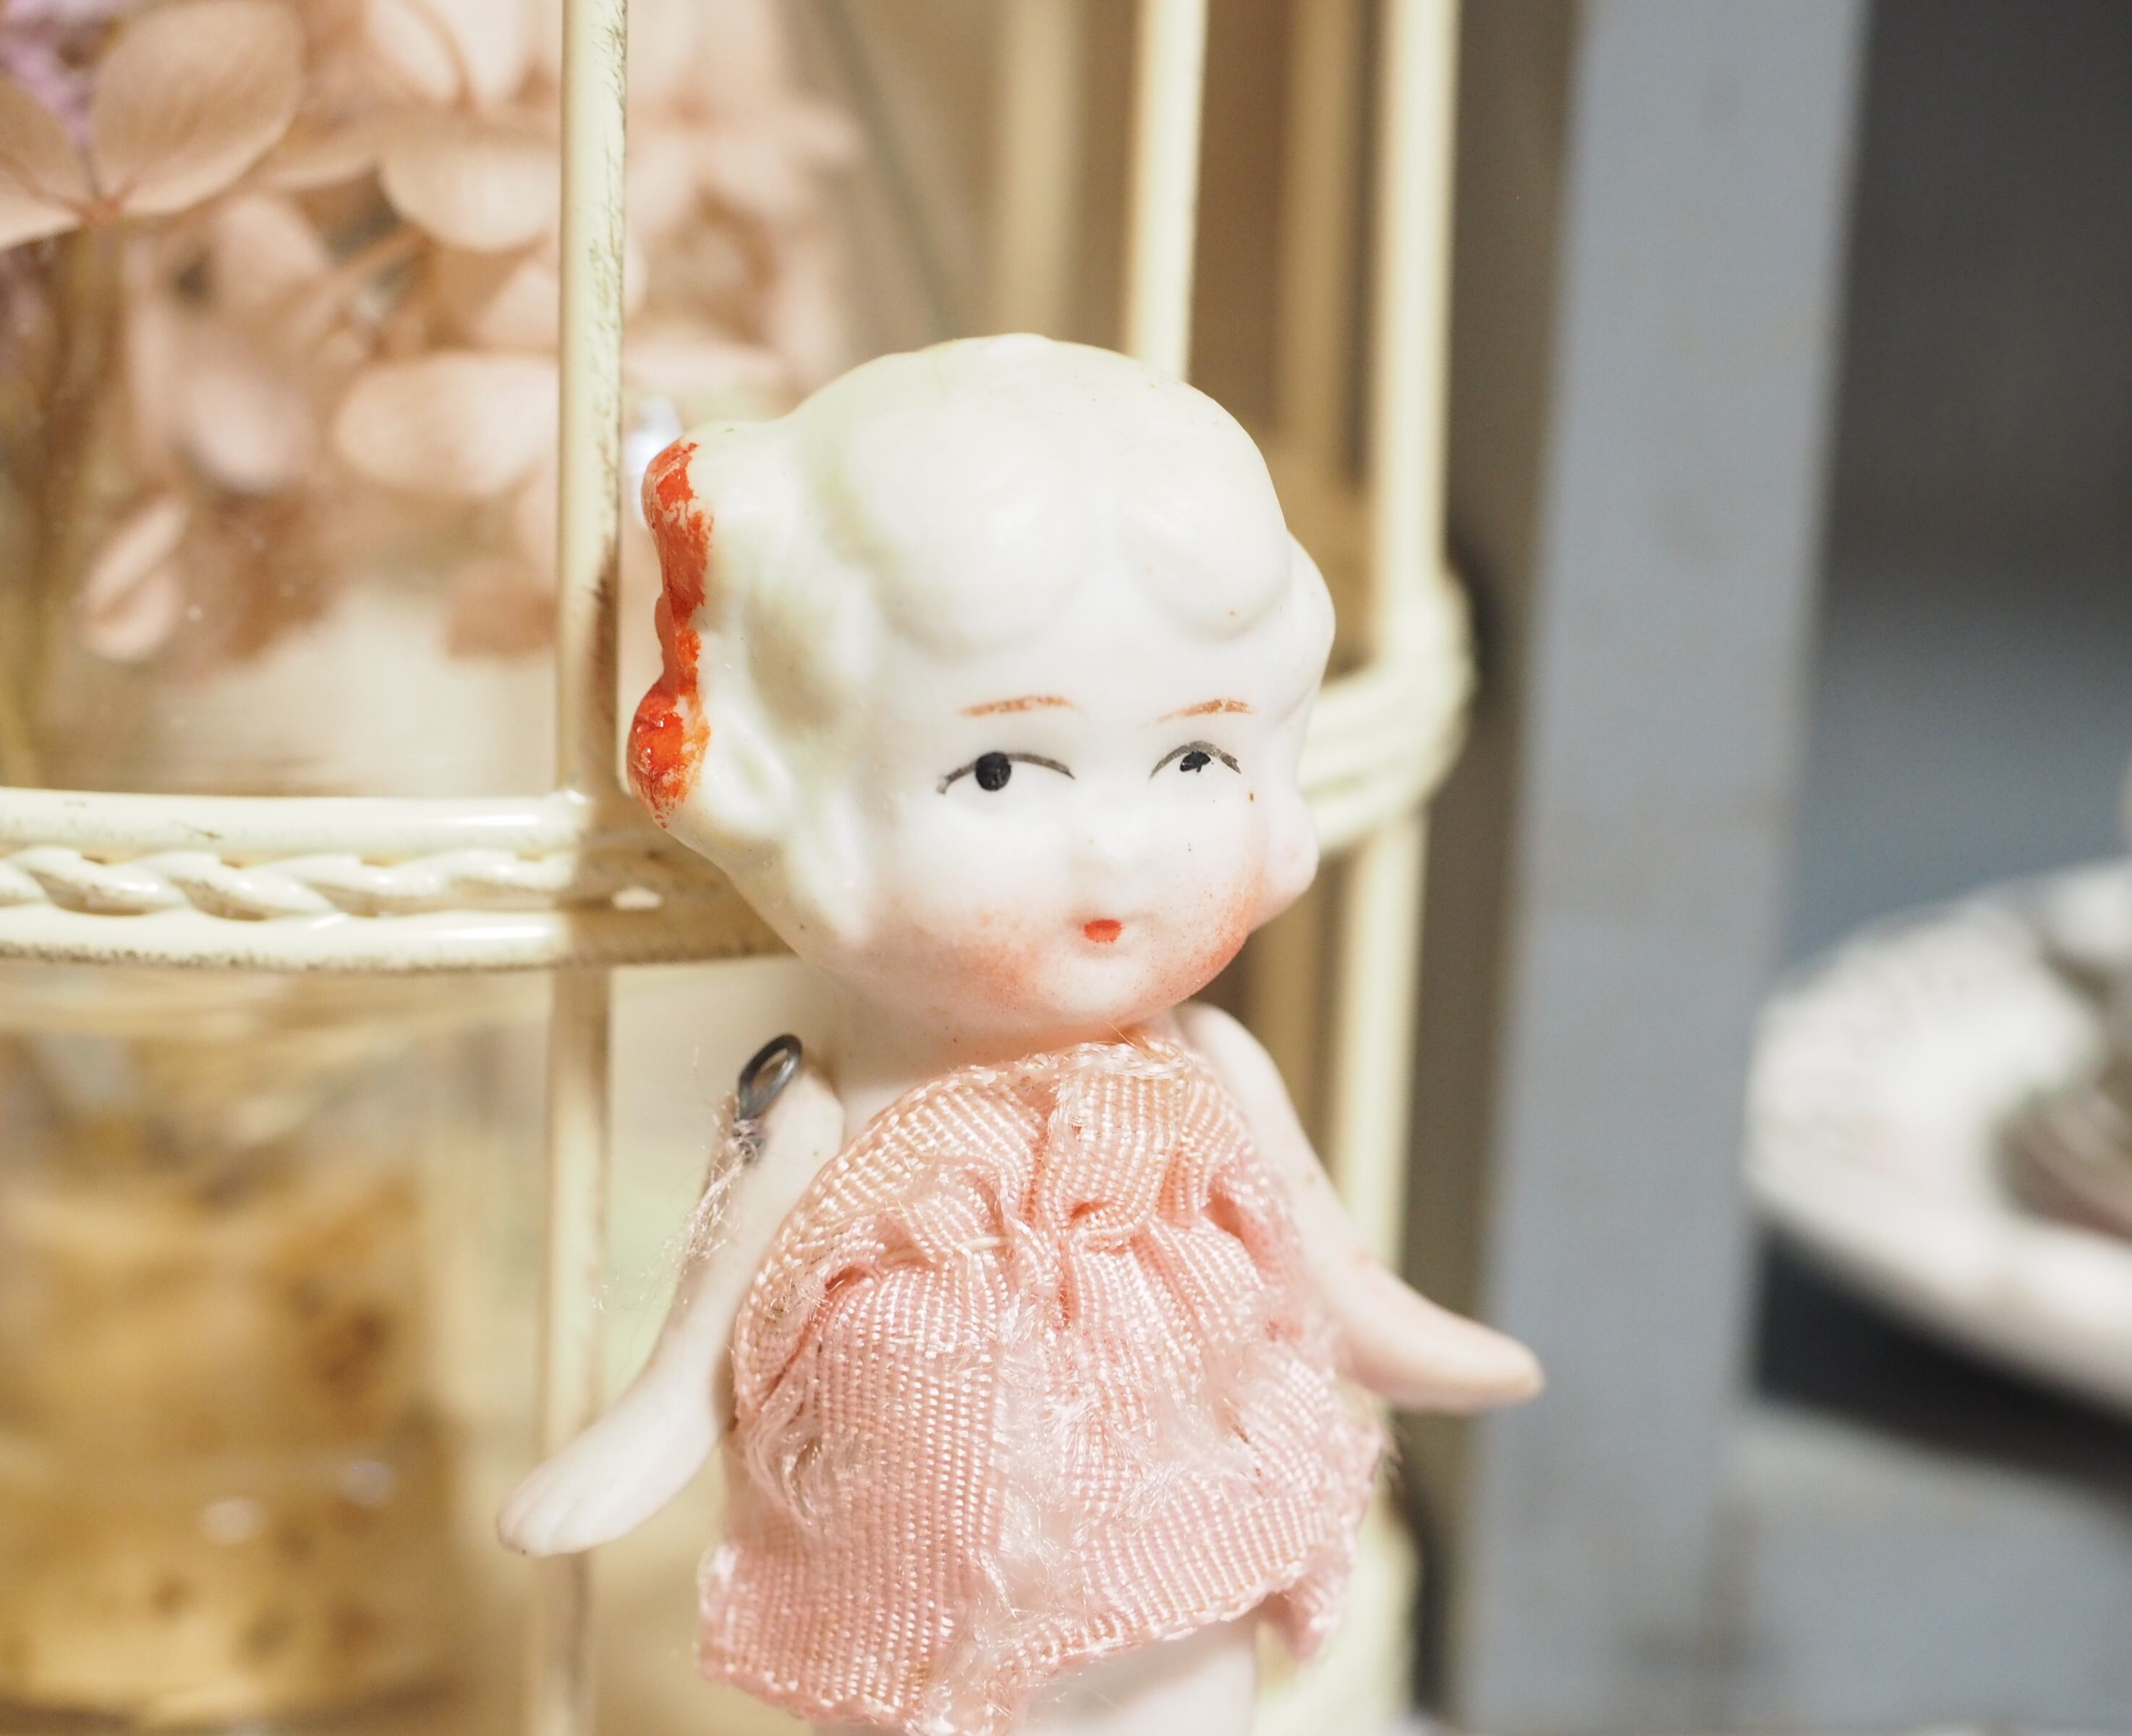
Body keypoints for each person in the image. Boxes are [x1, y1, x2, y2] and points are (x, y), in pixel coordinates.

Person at [498, 335, 1539, 1736]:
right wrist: (650, 1435)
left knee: (1187, 1693)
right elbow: (711, 1316)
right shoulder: (821, 1115)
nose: (1117, 847)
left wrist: (1393, 1333)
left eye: (1195, 759)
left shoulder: (1206, 1074)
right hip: (913, 1543)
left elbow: (1320, 1253)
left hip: (1170, 1528)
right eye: (998, 770)